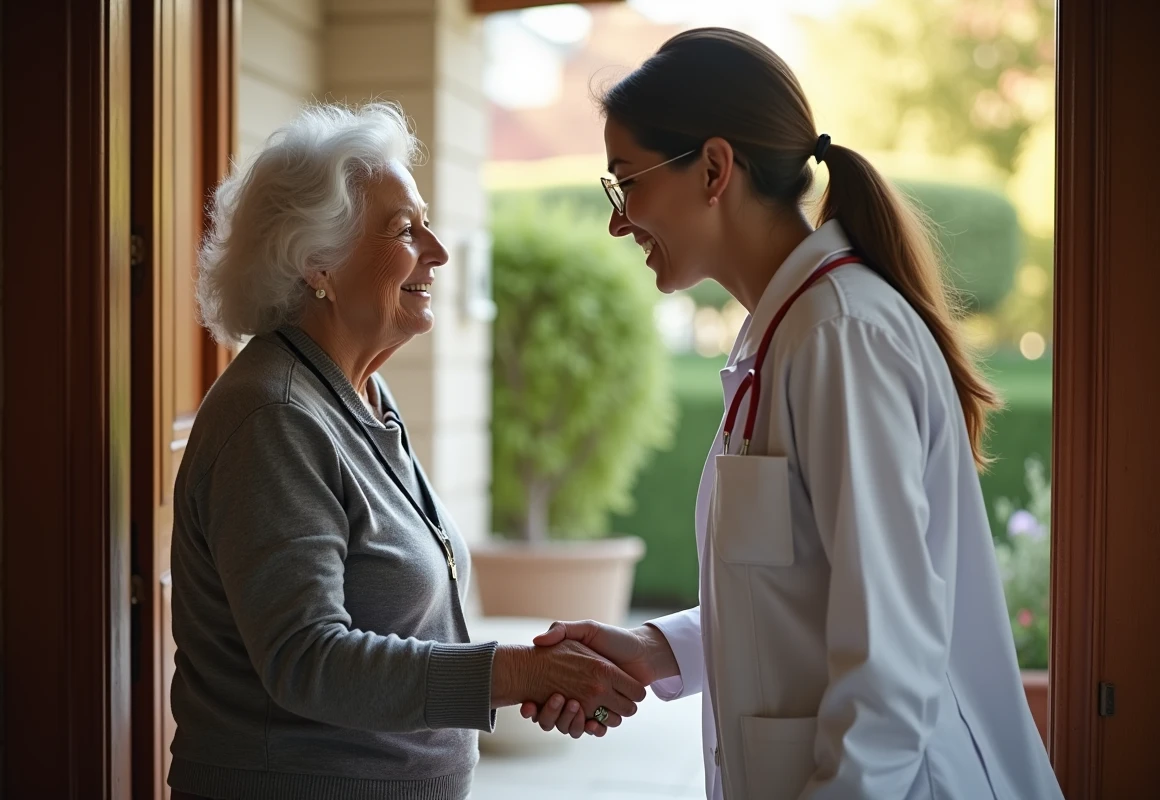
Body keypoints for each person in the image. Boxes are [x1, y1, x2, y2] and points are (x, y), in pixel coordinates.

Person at [521, 28, 1064, 800]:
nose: (618, 221)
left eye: (627, 182)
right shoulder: (786, 336)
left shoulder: (841, 336)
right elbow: (801, 593)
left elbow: (890, 662)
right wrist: (655, 649)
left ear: (715, 169)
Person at [166, 102, 644, 800]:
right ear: (317, 264)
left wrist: (533, 677)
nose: (439, 250)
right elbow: (307, 659)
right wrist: (517, 672)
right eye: (404, 229)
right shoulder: (275, 417)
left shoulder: (360, 396)